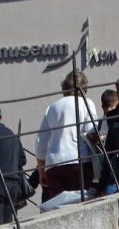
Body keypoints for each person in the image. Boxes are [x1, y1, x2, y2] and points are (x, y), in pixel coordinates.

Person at [35, 70, 97, 200]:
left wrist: (41, 170)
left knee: (58, 206)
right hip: (79, 160)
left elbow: (41, 141)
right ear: (83, 89)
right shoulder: (86, 103)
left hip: (54, 164)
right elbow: (92, 130)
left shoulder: (52, 107)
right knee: (81, 204)